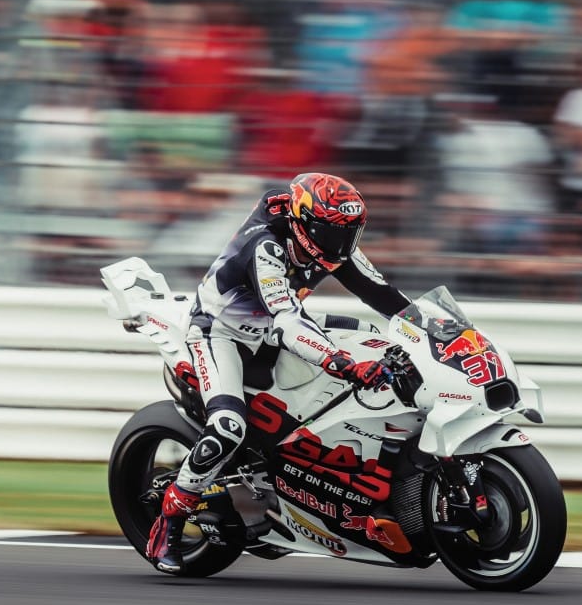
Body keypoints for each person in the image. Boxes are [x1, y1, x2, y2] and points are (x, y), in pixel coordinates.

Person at [147, 172, 411, 573]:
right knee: (227, 427)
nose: (342, 245)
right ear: (303, 224)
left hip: (274, 325)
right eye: (332, 232)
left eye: (350, 233)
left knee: (376, 337)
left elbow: (382, 295)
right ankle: (172, 515)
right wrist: (339, 362)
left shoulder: (332, 245)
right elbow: (288, 322)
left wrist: (442, 332)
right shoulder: (266, 246)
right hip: (222, 333)